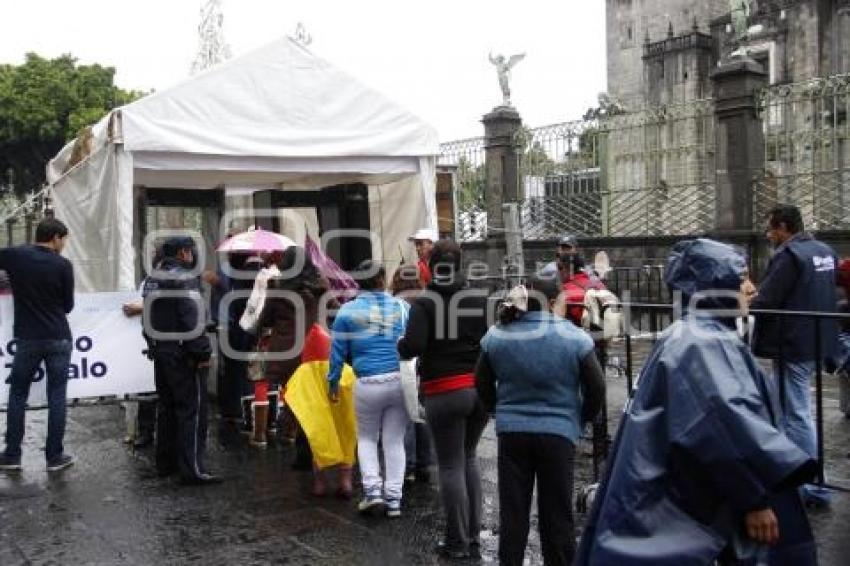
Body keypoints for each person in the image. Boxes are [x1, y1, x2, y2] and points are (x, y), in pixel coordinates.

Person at [576, 238, 819, 566]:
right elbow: (719, 427)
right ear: (715, 285)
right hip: (690, 512)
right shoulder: (702, 344)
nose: (751, 288)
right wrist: (753, 499)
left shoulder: (694, 336)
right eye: (741, 277)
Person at [476, 276, 605, 566]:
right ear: (549, 303)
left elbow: (481, 381)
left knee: (513, 511)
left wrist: (498, 410)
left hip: (512, 434)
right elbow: (597, 387)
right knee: (557, 513)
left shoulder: (498, 335)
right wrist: (579, 417)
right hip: (559, 434)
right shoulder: (575, 338)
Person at [397, 239, 490, 560]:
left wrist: (400, 344)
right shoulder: (479, 299)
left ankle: (456, 541)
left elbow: (412, 347)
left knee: (450, 464)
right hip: (480, 391)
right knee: (469, 458)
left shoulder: (425, 304)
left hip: (445, 390)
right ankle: (474, 535)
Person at [750, 206, 838, 478]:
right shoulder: (824, 251)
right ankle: (789, 469)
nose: (769, 235)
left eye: (771, 229)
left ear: (784, 228)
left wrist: (743, 302)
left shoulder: (789, 255)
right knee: (786, 408)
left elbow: (768, 300)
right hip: (817, 339)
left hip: (793, 343)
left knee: (796, 414)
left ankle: (810, 480)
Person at [262, 246, 354, 496]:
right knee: (318, 406)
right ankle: (324, 461)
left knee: (299, 401)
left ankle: (303, 451)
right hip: (317, 353)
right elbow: (337, 311)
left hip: (287, 356)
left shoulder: (277, 289)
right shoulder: (321, 286)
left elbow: (264, 321)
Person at [328, 260, 409, 518]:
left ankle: (373, 492)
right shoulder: (402, 307)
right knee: (395, 440)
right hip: (399, 381)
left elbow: (337, 354)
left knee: (366, 438)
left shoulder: (346, 312)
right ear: (383, 279)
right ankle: (394, 499)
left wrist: (332, 383)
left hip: (367, 383)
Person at [0, 218, 75, 472]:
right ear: (55, 238)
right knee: (57, 396)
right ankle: (55, 457)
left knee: (18, 394)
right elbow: (68, 306)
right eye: (63, 239)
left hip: (28, 338)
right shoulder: (63, 265)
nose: (64, 244)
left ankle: (12, 455)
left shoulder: (15, 256)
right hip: (58, 336)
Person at [142, 236, 218, 485]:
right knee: (191, 411)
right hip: (183, 354)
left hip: (161, 351)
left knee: (166, 408)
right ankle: (192, 469)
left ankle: (166, 464)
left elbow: (147, 318)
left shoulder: (153, 277)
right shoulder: (185, 277)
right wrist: (203, 353)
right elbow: (192, 319)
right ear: (185, 253)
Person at [391, 264, 433, 484]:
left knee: (406, 415)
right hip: (422, 363)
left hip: (404, 360)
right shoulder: (425, 301)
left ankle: (408, 465)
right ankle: (424, 464)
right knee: (419, 412)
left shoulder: (395, 304)